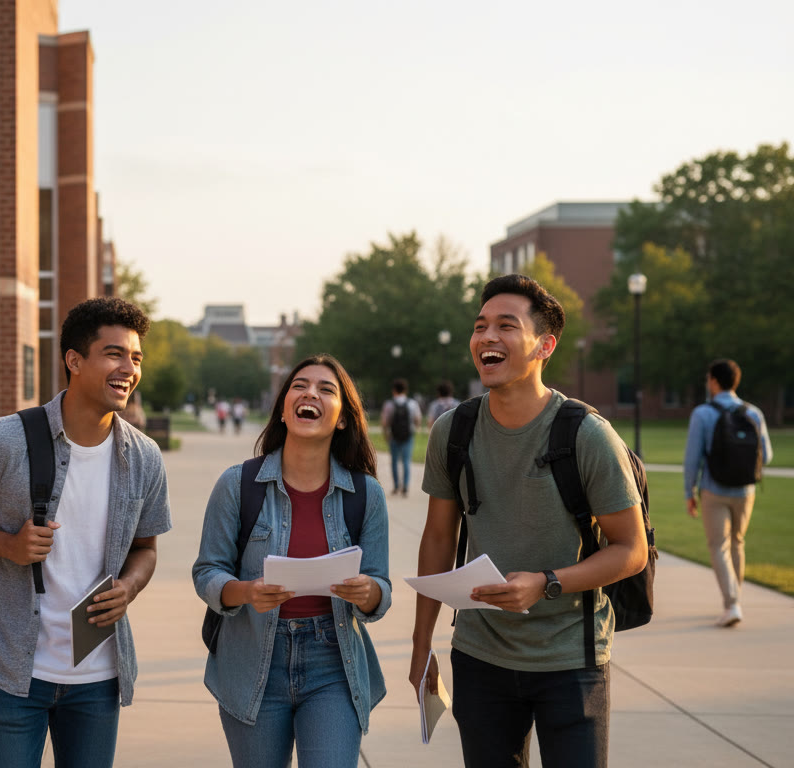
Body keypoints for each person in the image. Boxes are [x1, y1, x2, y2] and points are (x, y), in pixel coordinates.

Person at [409, 274, 649, 768]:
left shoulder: (587, 435)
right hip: (479, 658)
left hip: (571, 660)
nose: (487, 337)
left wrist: (547, 583)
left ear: (545, 345)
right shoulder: (452, 431)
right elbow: (438, 538)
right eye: (480, 327)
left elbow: (632, 550)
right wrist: (421, 645)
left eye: (505, 326)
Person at [0, 297, 172, 768]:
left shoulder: (144, 457)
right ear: (74, 361)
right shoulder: (4, 439)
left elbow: (146, 548)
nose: (129, 368)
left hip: (98, 673)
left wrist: (129, 587)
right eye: (115, 354)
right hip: (13, 670)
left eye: (136, 357)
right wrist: (6, 545)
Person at [194, 353, 390, 768]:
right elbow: (207, 572)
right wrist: (245, 592)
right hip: (252, 663)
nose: (310, 394)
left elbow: (380, 589)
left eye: (326, 389)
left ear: (341, 418)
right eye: (299, 386)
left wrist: (369, 592)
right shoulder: (237, 484)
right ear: (284, 409)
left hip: (333, 662)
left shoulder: (365, 494)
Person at [683, 358, 773, 627]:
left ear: (713, 381)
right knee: (737, 542)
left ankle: (732, 604)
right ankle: (735, 600)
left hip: (714, 490)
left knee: (718, 546)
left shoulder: (702, 413)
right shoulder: (754, 412)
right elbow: (766, 455)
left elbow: (692, 459)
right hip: (745, 491)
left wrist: (690, 491)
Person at [379, 379, 421, 496]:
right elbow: (417, 419)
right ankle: (405, 486)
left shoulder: (389, 404)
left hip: (394, 436)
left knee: (394, 462)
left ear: (394, 390)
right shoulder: (412, 403)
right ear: (405, 390)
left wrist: (386, 434)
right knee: (406, 461)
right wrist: (414, 429)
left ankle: (396, 486)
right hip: (408, 435)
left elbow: (385, 422)